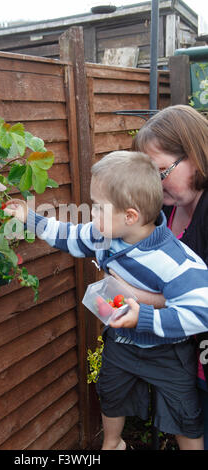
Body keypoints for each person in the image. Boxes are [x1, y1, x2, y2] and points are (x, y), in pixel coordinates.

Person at [4, 150, 208, 450]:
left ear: (130, 216)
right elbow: (68, 234)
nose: (92, 215)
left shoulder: (176, 261)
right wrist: (30, 219)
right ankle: (112, 444)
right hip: (123, 343)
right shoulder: (104, 234)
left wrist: (145, 318)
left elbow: (200, 311)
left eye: (99, 208)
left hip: (168, 353)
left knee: (184, 414)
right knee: (110, 394)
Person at [127, 104, 208, 450]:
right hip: (188, 358)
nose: (156, 188)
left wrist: (141, 300)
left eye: (161, 172)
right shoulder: (168, 209)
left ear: (196, 155)